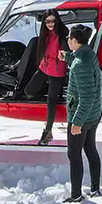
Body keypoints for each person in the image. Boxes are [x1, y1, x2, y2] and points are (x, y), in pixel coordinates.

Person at [62, 24, 102, 203]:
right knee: (90, 149)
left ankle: (76, 195)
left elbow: (86, 97)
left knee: (74, 154)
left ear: (75, 40)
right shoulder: (88, 54)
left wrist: (77, 123)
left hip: (81, 116)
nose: (67, 41)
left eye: (69, 38)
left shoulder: (80, 65)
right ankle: (95, 188)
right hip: (93, 115)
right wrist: (69, 57)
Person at [23, 9, 70, 145]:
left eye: (53, 21)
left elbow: (68, 49)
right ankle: (49, 107)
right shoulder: (45, 34)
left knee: (51, 100)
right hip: (45, 67)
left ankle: (47, 131)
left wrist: (65, 55)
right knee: (28, 91)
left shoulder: (62, 34)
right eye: (48, 21)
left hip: (57, 70)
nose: (51, 24)